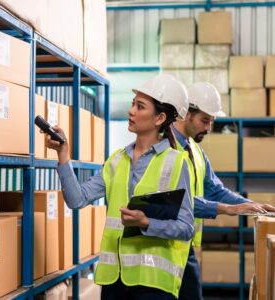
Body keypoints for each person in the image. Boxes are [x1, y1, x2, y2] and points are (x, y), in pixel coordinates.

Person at [44, 74, 194, 300]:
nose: (131, 111)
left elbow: (186, 228)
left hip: (153, 286)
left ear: (159, 118)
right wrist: (63, 155)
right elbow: (76, 199)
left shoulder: (176, 162)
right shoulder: (116, 161)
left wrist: (146, 223)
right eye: (133, 104)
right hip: (114, 281)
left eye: (140, 106)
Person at [173, 81, 275, 300]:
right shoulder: (164, 148)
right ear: (186, 114)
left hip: (183, 246)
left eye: (212, 121)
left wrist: (249, 206)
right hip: (161, 243)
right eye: (204, 120)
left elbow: (215, 189)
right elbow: (177, 202)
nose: (209, 128)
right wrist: (227, 209)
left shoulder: (196, 152)